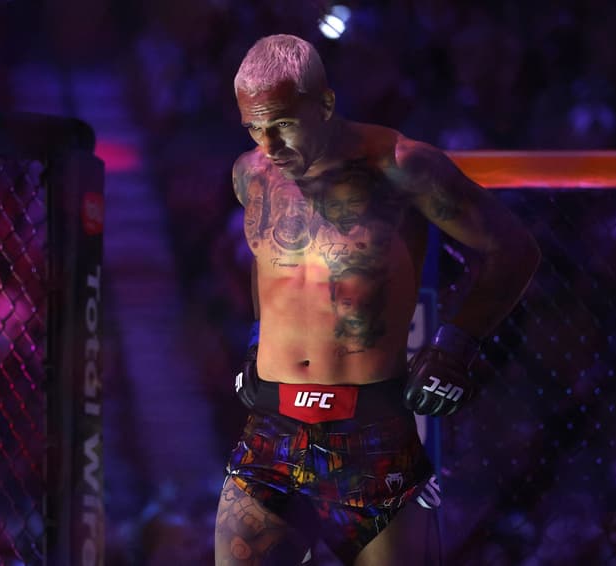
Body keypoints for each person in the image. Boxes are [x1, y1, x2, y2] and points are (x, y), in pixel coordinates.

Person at [215, 34, 540, 565]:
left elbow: (514, 248)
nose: (268, 145)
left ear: (325, 104)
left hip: (372, 437)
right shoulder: (250, 174)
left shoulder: (401, 166)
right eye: (253, 127)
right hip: (271, 432)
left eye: (282, 124)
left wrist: (456, 346)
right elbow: (267, 259)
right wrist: (257, 340)